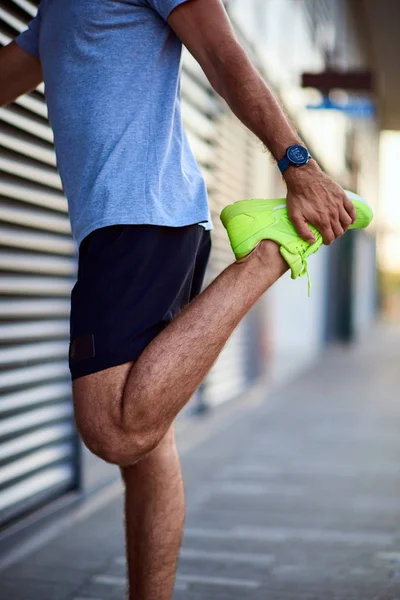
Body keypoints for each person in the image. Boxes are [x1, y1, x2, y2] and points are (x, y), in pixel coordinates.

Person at [0, 1, 372, 598]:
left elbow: (225, 58)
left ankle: (272, 252)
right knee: (149, 442)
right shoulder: (55, 9)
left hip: (141, 219)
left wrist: (297, 163)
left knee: (116, 430)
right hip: (123, 228)